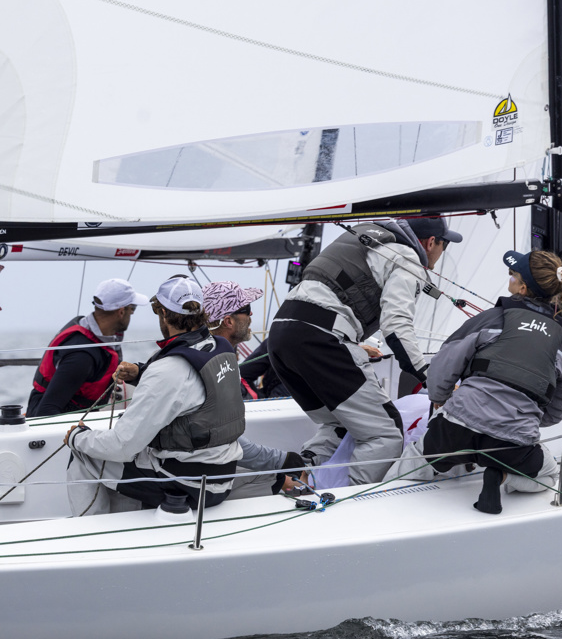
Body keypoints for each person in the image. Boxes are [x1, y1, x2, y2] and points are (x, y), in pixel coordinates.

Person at [267, 217, 461, 485]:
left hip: (282, 335)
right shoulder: (407, 257)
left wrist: (350, 344)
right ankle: (350, 502)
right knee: (385, 433)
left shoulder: (370, 240)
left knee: (339, 423)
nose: (442, 252)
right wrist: (433, 379)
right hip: (320, 339)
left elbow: (324, 299)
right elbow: (396, 326)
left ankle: (298, 481)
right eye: (444, 245)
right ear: (430, 243)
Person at [64, 277, 245, 515]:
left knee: (84, 454)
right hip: (222, 475)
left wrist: (77, 437)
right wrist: (141, 373)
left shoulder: (167, 370)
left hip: (189, 484)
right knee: (137, 454)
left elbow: (122, 446)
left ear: (163, 313)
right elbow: (191, 387)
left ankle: (94, 530)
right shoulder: (220, 348)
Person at [421, 249, 562, 513]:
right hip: (512, 443)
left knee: (417, 458)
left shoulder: (492, 318)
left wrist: (440, 397)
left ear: (522, 288)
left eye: (512, 275)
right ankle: (500, 476)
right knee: (550, 475)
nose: (509, 278)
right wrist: (526, 416)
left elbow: (444, 363)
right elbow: (561, 405)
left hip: (456, 428)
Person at [202, 281, 305, 497]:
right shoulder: (214, 368)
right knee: (288, 481)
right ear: (228, 321)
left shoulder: (212, 359)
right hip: (201, 481)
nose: (251, 315)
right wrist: (285, 461)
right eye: (246, 310)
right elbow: (226, 439)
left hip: (201, 469)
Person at [29, 278, 150, 417]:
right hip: (56, 420)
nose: (132, 313)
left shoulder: (99, 338)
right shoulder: (82, 356)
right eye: (132, 308)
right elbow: (46, 411)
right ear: (121, 312)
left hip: (78, 416)